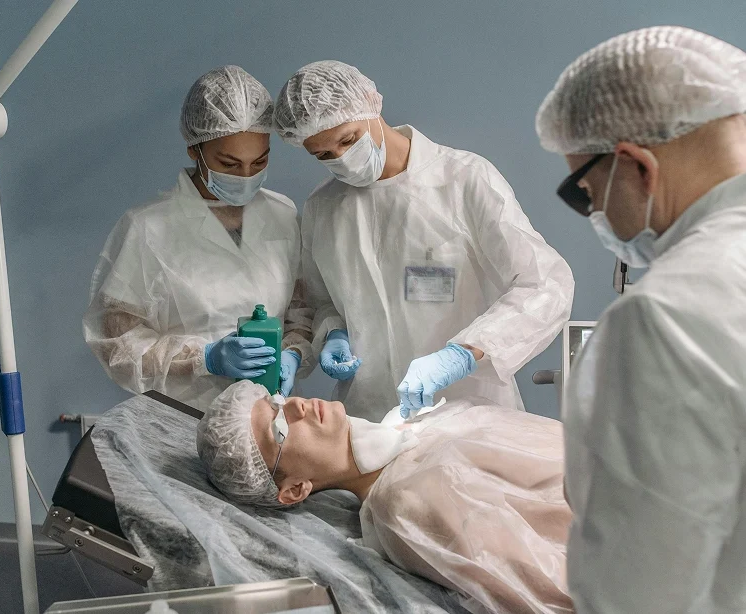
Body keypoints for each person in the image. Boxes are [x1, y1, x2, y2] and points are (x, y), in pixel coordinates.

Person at [535, 26, 746, 613]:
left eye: (585, 191)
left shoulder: (666, 315)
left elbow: (639, 591)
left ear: (635, 166)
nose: (595, 214)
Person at [272, 61, 575, 421]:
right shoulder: (323, 207)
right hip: (372, 419)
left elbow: (544, 283)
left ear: (370, 103)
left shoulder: (463, 179)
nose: (342, 160)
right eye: (323, 155)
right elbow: (324, 302)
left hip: (469, 412)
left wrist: (463, 354)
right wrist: (334, 333)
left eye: (348, 140)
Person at [197, 380, 574, 614]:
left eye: (277, 401)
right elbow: (558, 592)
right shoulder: (407, 504)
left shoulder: (408, 426)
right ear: (296, 489)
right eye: (279, 427)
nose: (295, 405)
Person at [83, 66, 313, 410]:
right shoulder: (149, 227)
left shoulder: (282, 215)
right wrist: (204, 358)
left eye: (259, 161)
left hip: (268, 413)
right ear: (195, 149)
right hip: (182, 416)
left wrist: (292, 353)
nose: (246, 176)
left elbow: (301, 313)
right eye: (230, 164)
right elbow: (117, 345)